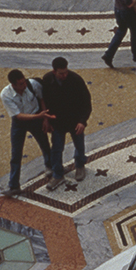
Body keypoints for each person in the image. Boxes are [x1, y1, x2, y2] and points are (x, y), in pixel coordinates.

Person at [0, 69, 54, 197]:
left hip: (37, 116)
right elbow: (18, 116)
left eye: (24, 82)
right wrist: (39, 117)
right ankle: (14, 185)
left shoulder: (33, 84)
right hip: (21, 122)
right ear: (13, 85)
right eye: (20, 84)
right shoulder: (6, 95)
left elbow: (42, 99)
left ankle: (49, 167)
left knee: (44, 144)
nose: (24, 85)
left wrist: (45, 118)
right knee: (16, 153)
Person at [41, 57, 91, 191]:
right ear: (54, 71)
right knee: (56, 149)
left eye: (66, 72)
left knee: (79, 145)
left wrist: (82, 121)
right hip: (57, 122)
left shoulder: (75, 80)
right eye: (61, 73)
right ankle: (58, 174)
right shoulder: (47, 80)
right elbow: (43, 100)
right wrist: (47, 119)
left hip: (75, 121)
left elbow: (86, 102)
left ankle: (80, 164)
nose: (64, 75)